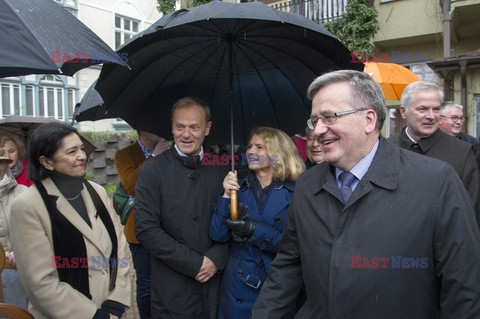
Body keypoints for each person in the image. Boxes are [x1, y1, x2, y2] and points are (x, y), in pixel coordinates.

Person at [252, 70, 480, 318]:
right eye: (314, 120)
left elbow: (464, 283)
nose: (317, 130)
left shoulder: (437, 181)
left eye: (329, 117)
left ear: (369, 120)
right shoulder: (307, 185)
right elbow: (288, 265)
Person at [9, 122, 131, 319]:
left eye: (82, 149)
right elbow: (40, 282)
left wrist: (115, 302)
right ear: (47, 162)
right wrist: (93, 315)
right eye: (72, 151)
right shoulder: (28, 206)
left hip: (112, 311)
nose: (82, 156)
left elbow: (119, 248)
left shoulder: (97, 192)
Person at [134, 97, 229, 318]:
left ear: (207, 128)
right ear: (172, 127)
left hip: (216, 286)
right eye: (180, 127)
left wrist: (216, 258)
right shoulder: (152, 171)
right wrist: (194, 264)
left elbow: (234, 223)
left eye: (194, 127)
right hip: (173, 289)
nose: (186, 134)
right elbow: (146, 229)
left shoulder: (223, 168)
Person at [210, 127, 305, 319]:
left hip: (277, 284)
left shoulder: (297, 192)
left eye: (259, 147)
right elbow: (217, 235)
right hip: (237, 285)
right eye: (250, 146)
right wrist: (226, 196)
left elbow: (297, 245)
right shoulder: (238, 188)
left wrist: (254, 230)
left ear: (277, 153)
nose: (251, 152)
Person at [389, 82, 480, 225]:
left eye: (436, 109)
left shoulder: (462, 152)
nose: (431, 116)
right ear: (403, 112)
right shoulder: (386, 149)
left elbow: (471, 213)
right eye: (423, 109)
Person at [114, 130, 170, 319]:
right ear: (142, 129)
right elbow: (130, 184)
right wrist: (155, 156)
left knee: (168, 281)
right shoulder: (124, 155)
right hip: (139, 230)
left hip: (169, 228)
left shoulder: (172, 150)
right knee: (146, 282)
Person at [0, 151, 28, 310]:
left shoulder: (23, 193)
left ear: (4, 166)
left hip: (20, 271)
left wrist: (20, 252)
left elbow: (37, 233)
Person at [439, 101, 480, 168]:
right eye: (454, 118)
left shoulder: (471, 143)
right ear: (440, 119)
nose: (459, 122)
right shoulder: (429, 139)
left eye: (461, 118)